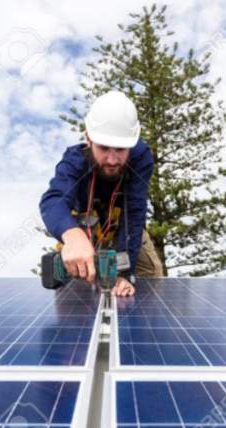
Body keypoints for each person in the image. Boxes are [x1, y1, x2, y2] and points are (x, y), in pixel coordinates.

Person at [39, 91, 163, 296]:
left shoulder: (141, 158)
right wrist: (73, 236)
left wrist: (125, 272)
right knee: (72, 295)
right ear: (89, 138)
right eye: (104, 148)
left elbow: (134, 214)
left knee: (151, 278)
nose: (113, 160)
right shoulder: (74, 162)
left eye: (121, 149)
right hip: (85, 230)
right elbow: (53, 200)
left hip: (125, 228)